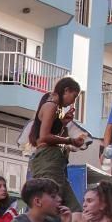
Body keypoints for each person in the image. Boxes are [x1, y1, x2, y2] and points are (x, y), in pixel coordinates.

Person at [29, 77, 85, 213]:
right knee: (52, 207)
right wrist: (70, 140)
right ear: (66, 90)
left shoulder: (55, 108)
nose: (73, 101)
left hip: (54, 161)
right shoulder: (51, 106)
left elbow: (50, 133)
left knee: (74, 210)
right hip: (48, 160)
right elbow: (45, 137)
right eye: (74, 96)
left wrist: (63, 123)